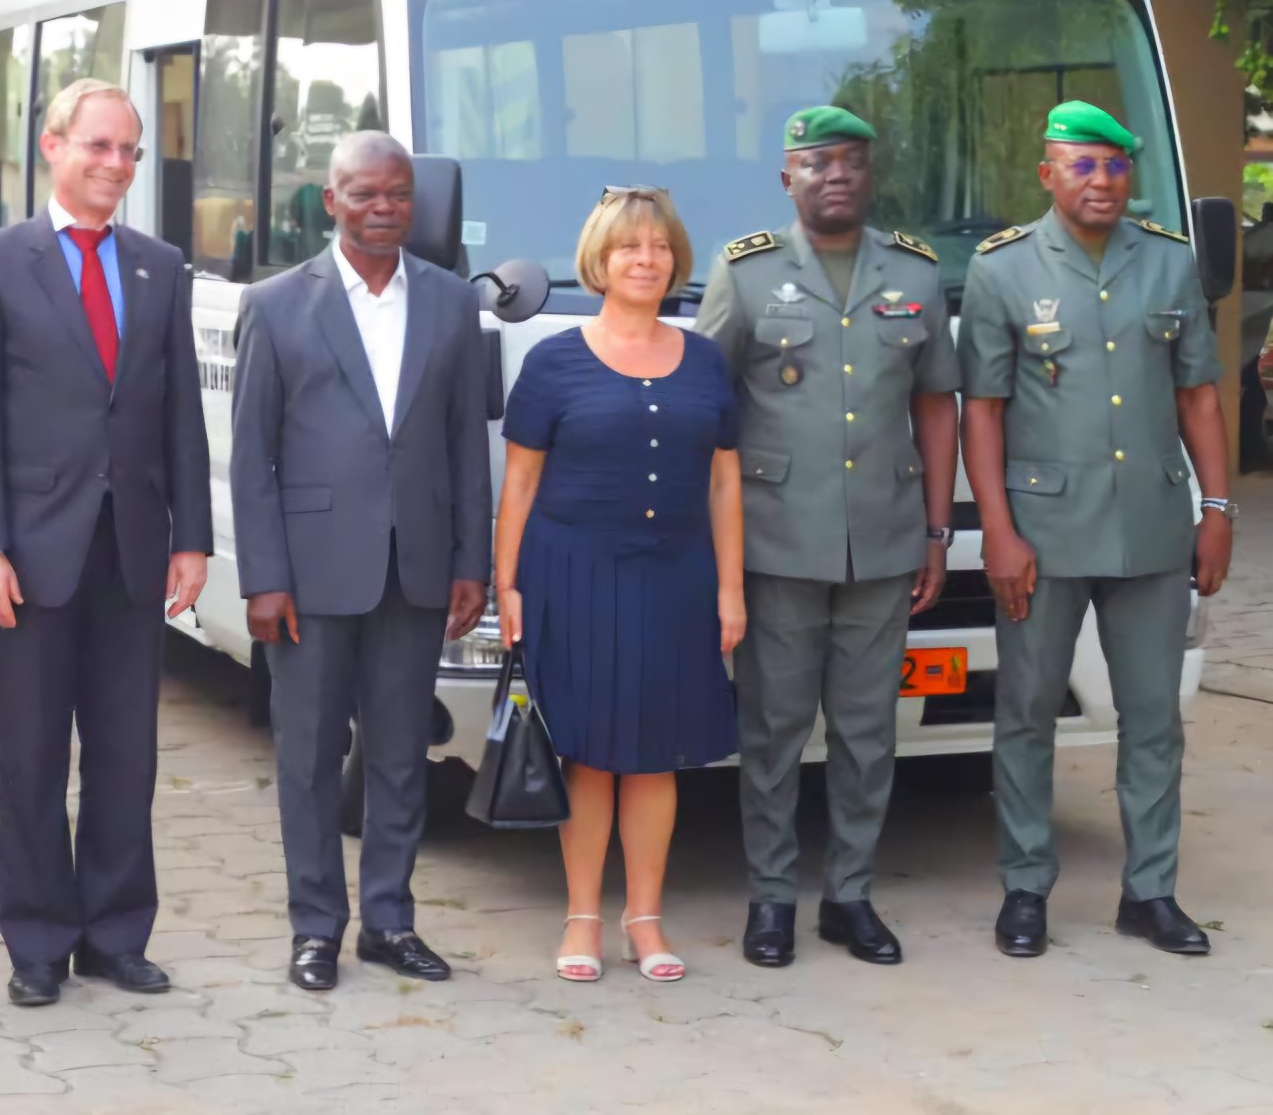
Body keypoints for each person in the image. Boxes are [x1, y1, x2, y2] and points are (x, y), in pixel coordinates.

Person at [0, 78, 212, 1007]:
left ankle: (115, 933)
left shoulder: (159, 265)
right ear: (53, 146)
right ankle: (37, 943)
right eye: (99, 146)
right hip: (28, 552)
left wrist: (193, 537)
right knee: (31, 755)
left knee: (126, 754)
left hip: (132, 547)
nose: (116, 165)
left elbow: (180, 414)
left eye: (131, 151)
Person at [958, 100, 1231, 959]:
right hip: (1042, 534)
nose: (1101, 180)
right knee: (1027, 712)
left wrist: (1216, 509)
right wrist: (998, 530)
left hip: (1152, 530)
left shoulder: (1170, 265)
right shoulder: (1001, 270)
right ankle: (1026, 887)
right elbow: (983, 412)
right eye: (1081, 164)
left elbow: (1198, 396)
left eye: (1114, 166)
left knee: (1154, 721)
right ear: (1047, 175)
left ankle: (1149, 892)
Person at [692, 107, 960, 969]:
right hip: (776, 541)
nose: (835, 174)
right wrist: (717, 543)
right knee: (772, 728)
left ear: (869, 175)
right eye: (817, 163)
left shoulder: (913, 273)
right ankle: (771, 898)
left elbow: (934, 403)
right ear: (788, 180)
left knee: (867, 729)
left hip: (883, 539)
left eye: (850, 161)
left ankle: (850, 896)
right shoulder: (748, 272)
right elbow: (709, 403)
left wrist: (937, 528)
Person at [230, 131, 492, 993]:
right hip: (308, 577)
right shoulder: (275, 305)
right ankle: (315, 928)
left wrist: (471, 561)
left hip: (415, 570)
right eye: (365, 196)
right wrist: (262, 578)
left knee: (399, 755)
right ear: (331, 200)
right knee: (306, 759)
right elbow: (251, 457)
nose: (384, 211)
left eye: (398, 196)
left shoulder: (452, 304)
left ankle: (389, 920)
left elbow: (464, 444)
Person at [494, 186, 743, 984]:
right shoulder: (554, 359)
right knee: (591, 755)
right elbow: (521, 484)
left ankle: (645, 919)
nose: (647, 259)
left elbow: (725, 484)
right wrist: (507, 586)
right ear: (598, 261)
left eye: (661, 247)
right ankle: (581, 918)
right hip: (574, 576)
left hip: (676, 577)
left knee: (655, 757)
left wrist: (730, 589)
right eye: (630, 247)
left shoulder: (705, 358)